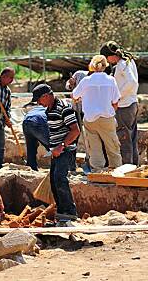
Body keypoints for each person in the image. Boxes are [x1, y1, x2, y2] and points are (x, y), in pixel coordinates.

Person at [32, 84, 80, 222]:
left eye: (39, 100)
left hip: (65, 150)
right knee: (54, 181)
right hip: (57, 151)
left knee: (60, 178)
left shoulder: (64, 108)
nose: (39, 103)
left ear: (46, 96)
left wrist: (62, 146)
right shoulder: (49, 110)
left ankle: (70, 212)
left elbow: (75, 131)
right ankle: (62, 211)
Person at [72, 55, 122, 173]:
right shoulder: (111, 80)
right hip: (106, 118)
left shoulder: (86, 81)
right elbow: (115, 102)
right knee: (113, 147)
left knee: (94, 149)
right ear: (105, 66)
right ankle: (117, 172)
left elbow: (74, 96)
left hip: (90, 119)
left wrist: (81, 99)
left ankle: (97, 173)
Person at [100, 41, 139, 165]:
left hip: (124, 106)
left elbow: (132, 82)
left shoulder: (122, 64)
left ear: (110, 55)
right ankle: (134, 166)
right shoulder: (129, 61)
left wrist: (117, 97)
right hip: (132, 103)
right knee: (132, 139)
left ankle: (127, 168)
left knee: (124, 139)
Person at [22, 105, 49, 171]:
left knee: (31, 146)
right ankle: (61, 166)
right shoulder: (53, 109)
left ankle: (31, 166)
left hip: (26, 121)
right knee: (53, 146)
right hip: (38, 122)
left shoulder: (38, 108)